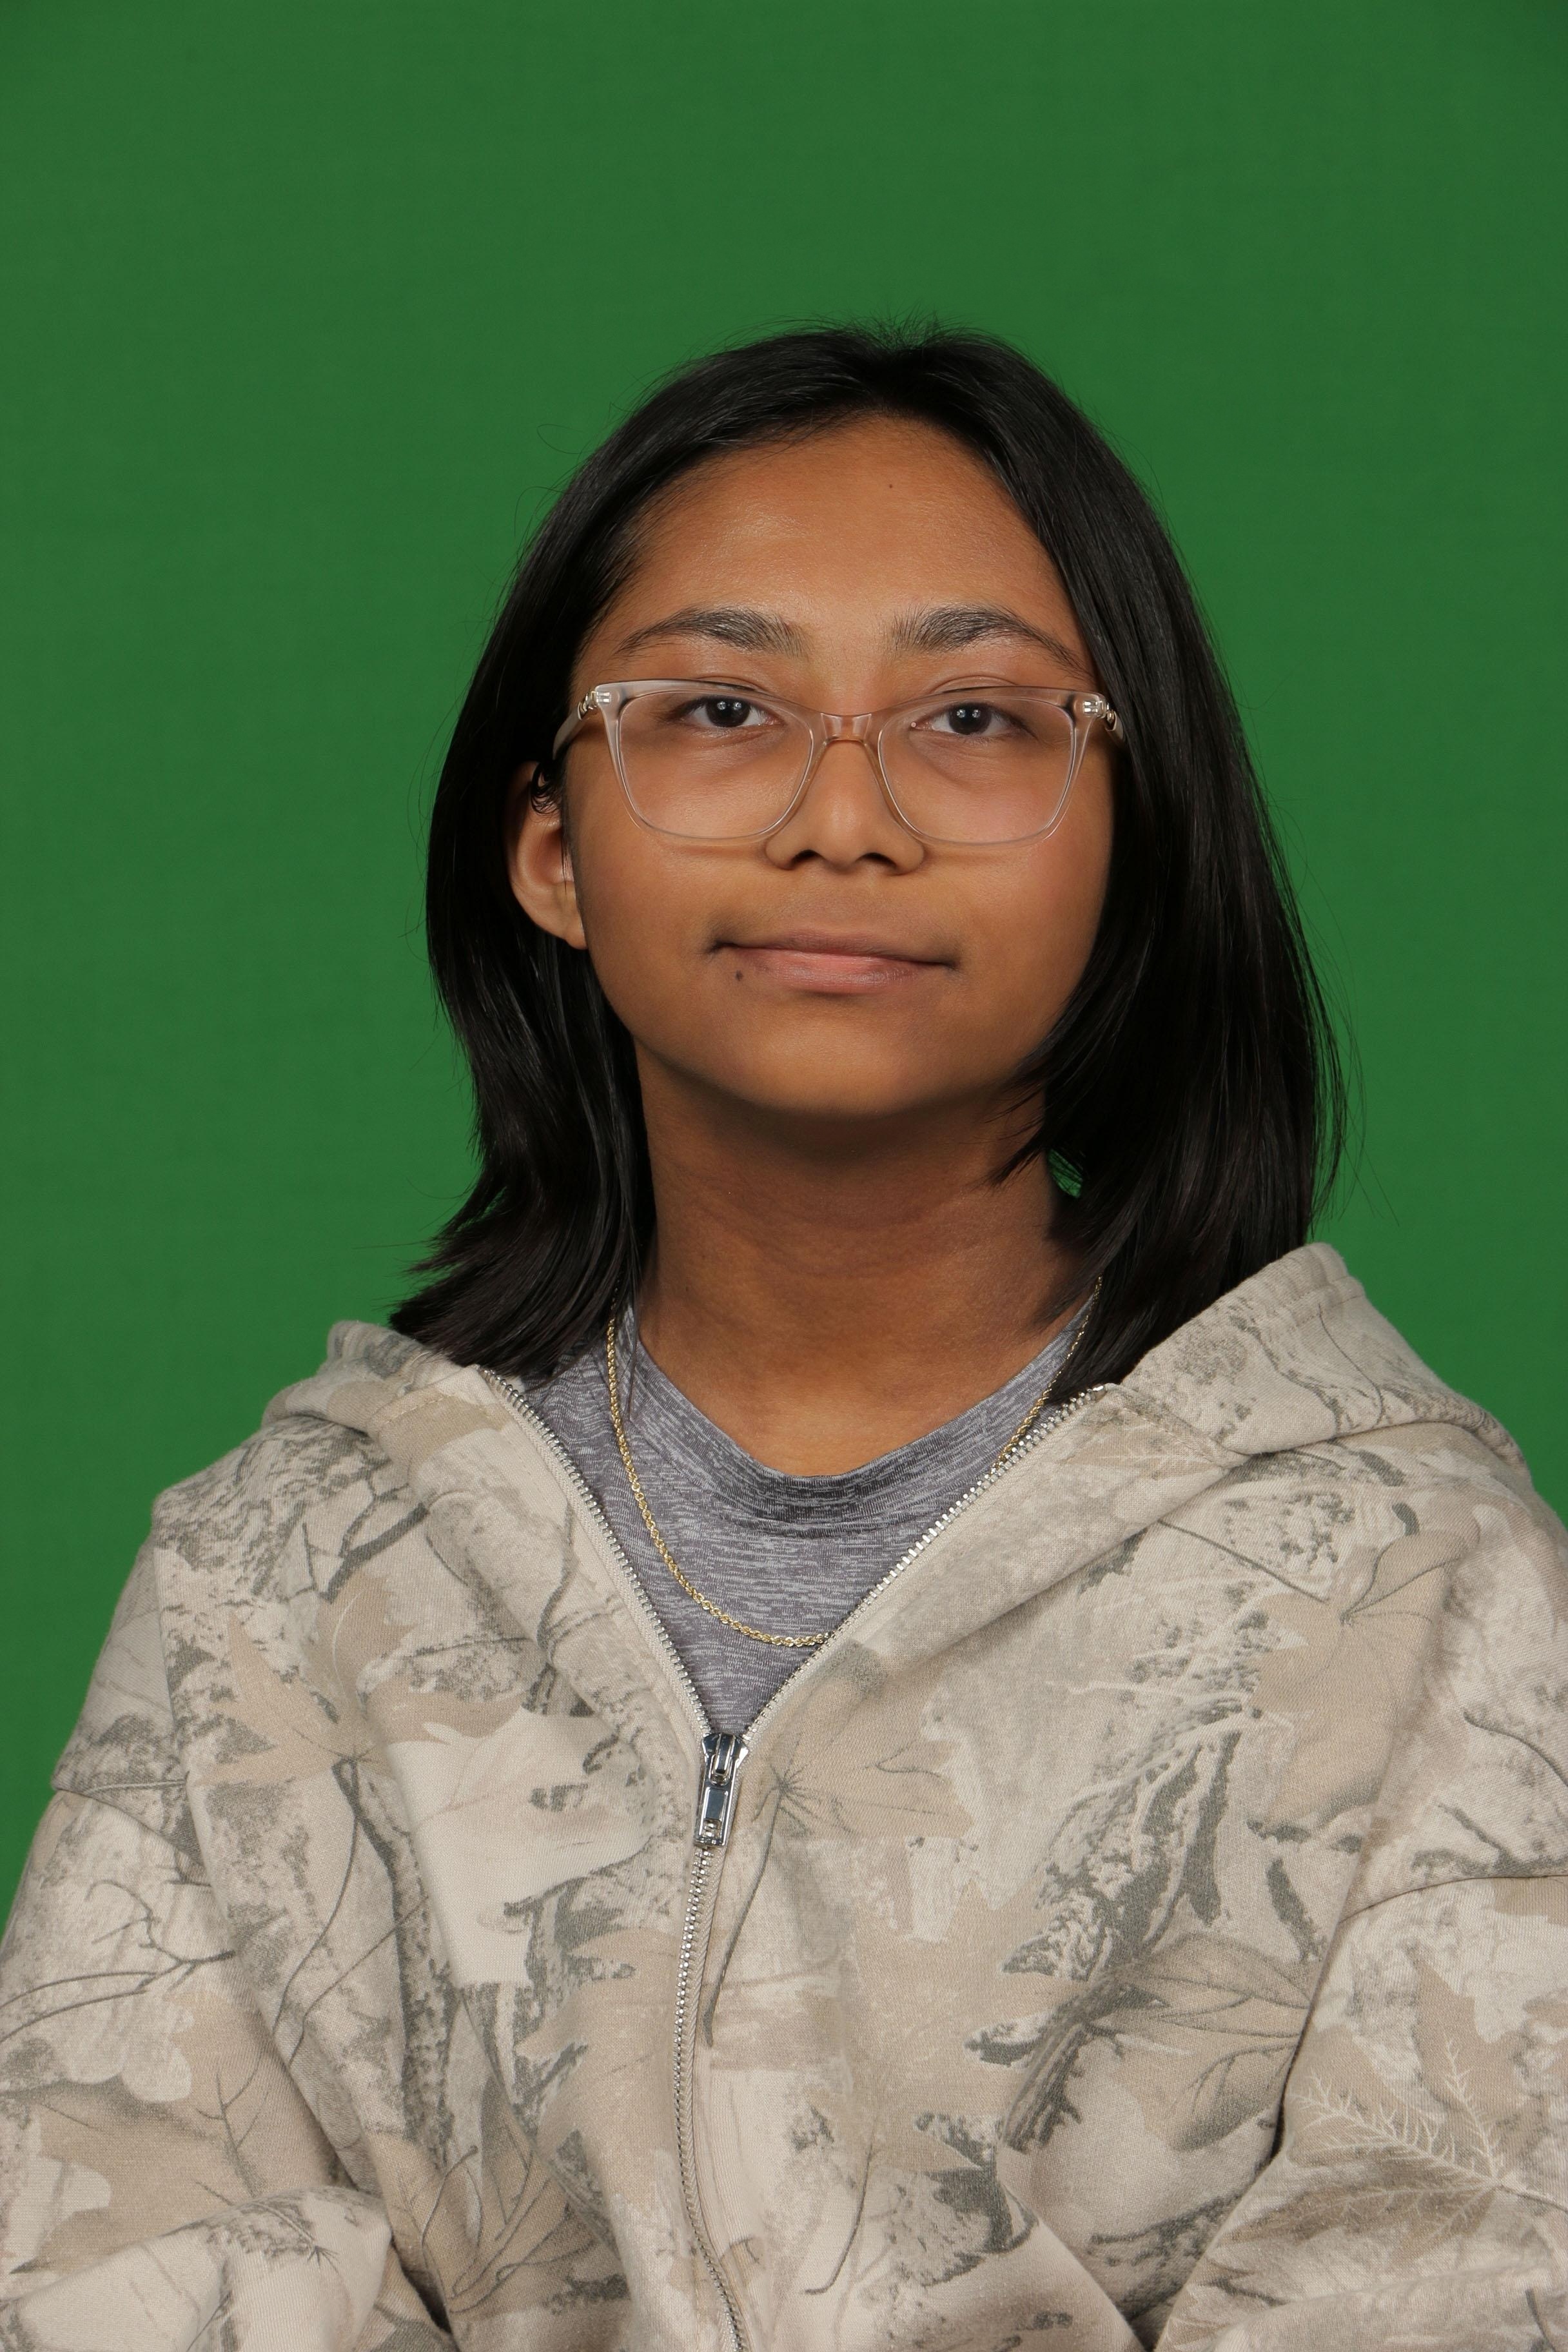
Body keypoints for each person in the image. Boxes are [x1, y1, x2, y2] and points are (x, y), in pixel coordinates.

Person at [1, 326, 1563, 2352]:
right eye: (720, 709)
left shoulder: (1419, 1591)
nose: (846, 816)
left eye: (977, 718)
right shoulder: (277, 1593)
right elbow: (111, 2280)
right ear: (551, 847)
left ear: (1134, 843)